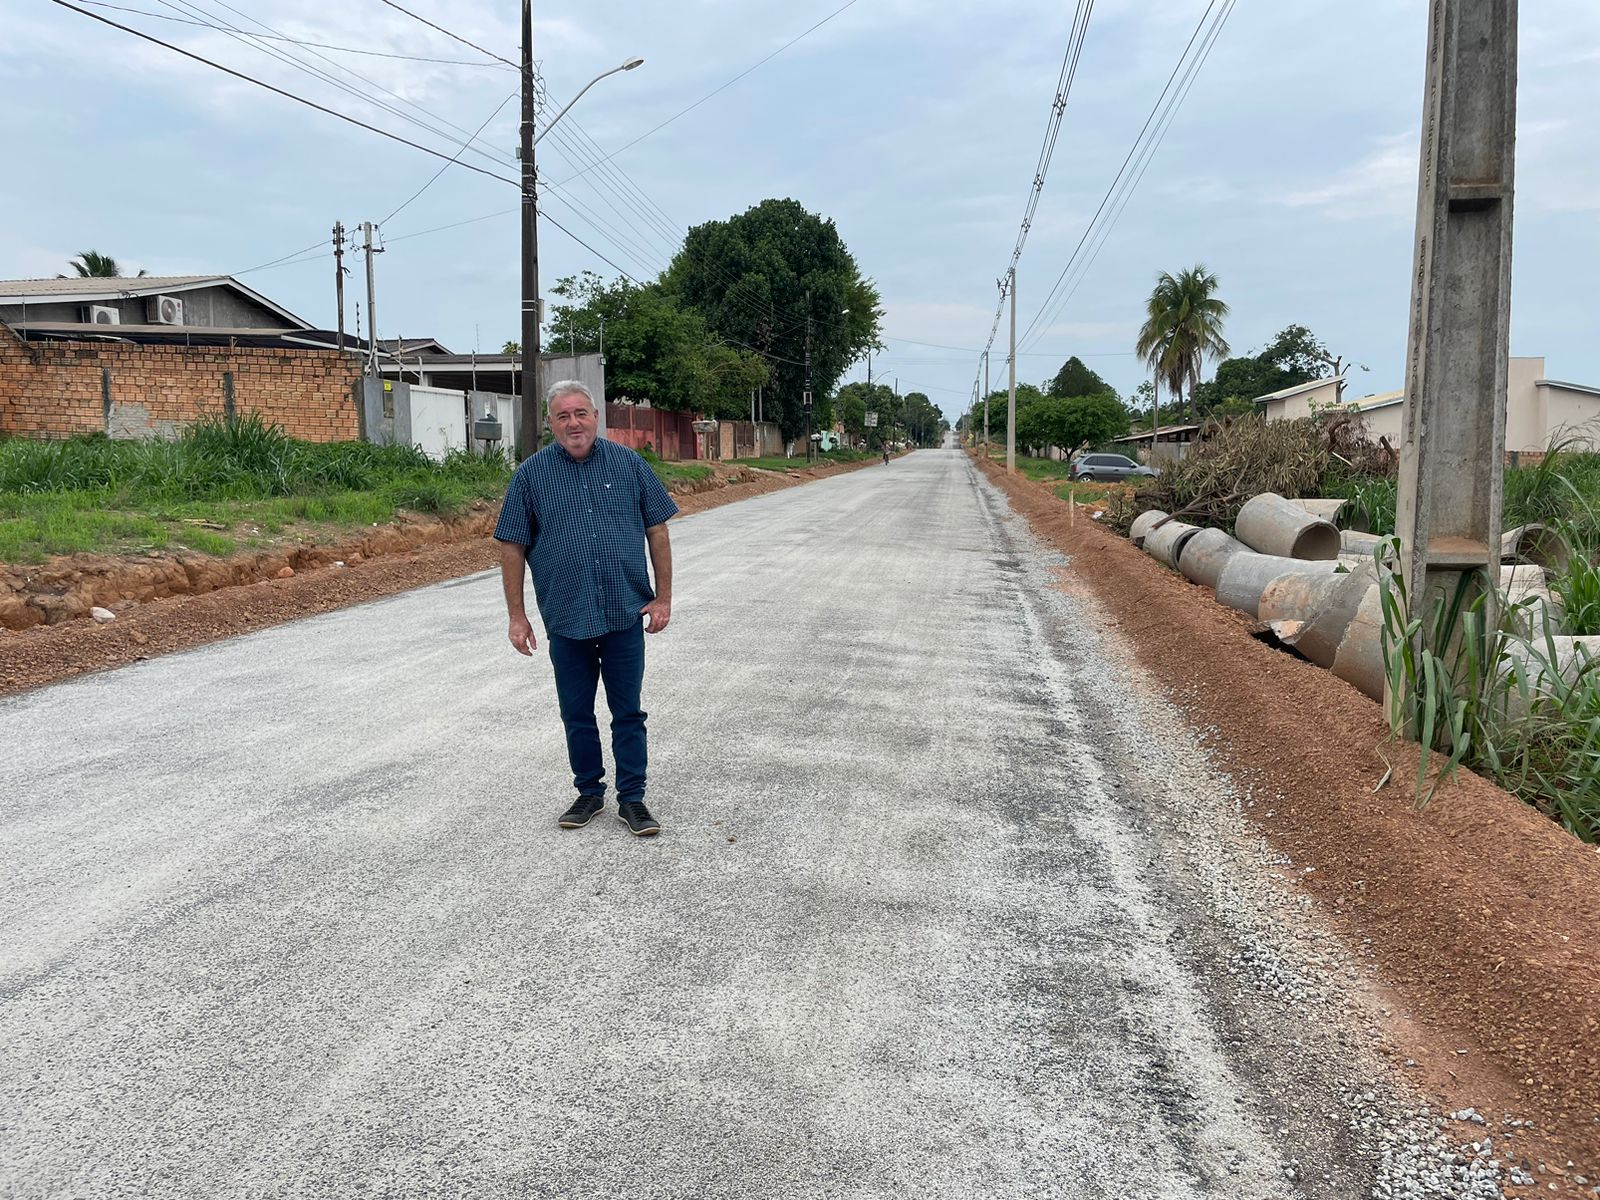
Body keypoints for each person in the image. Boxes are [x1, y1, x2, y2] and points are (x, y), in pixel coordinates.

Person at [494, 380, 679, 837]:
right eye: (563, 416)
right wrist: (517, 616)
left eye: (580, 413)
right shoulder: (531, 476)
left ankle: (632, 800)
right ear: (551, 423)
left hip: (622, 615)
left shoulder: (630, 465)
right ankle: (589, 792)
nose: (573, 423)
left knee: (628, 713)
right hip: (567, 617)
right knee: (576, 712)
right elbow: (512, 546)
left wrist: (663, 597)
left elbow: (658, 530)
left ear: (596, 417)